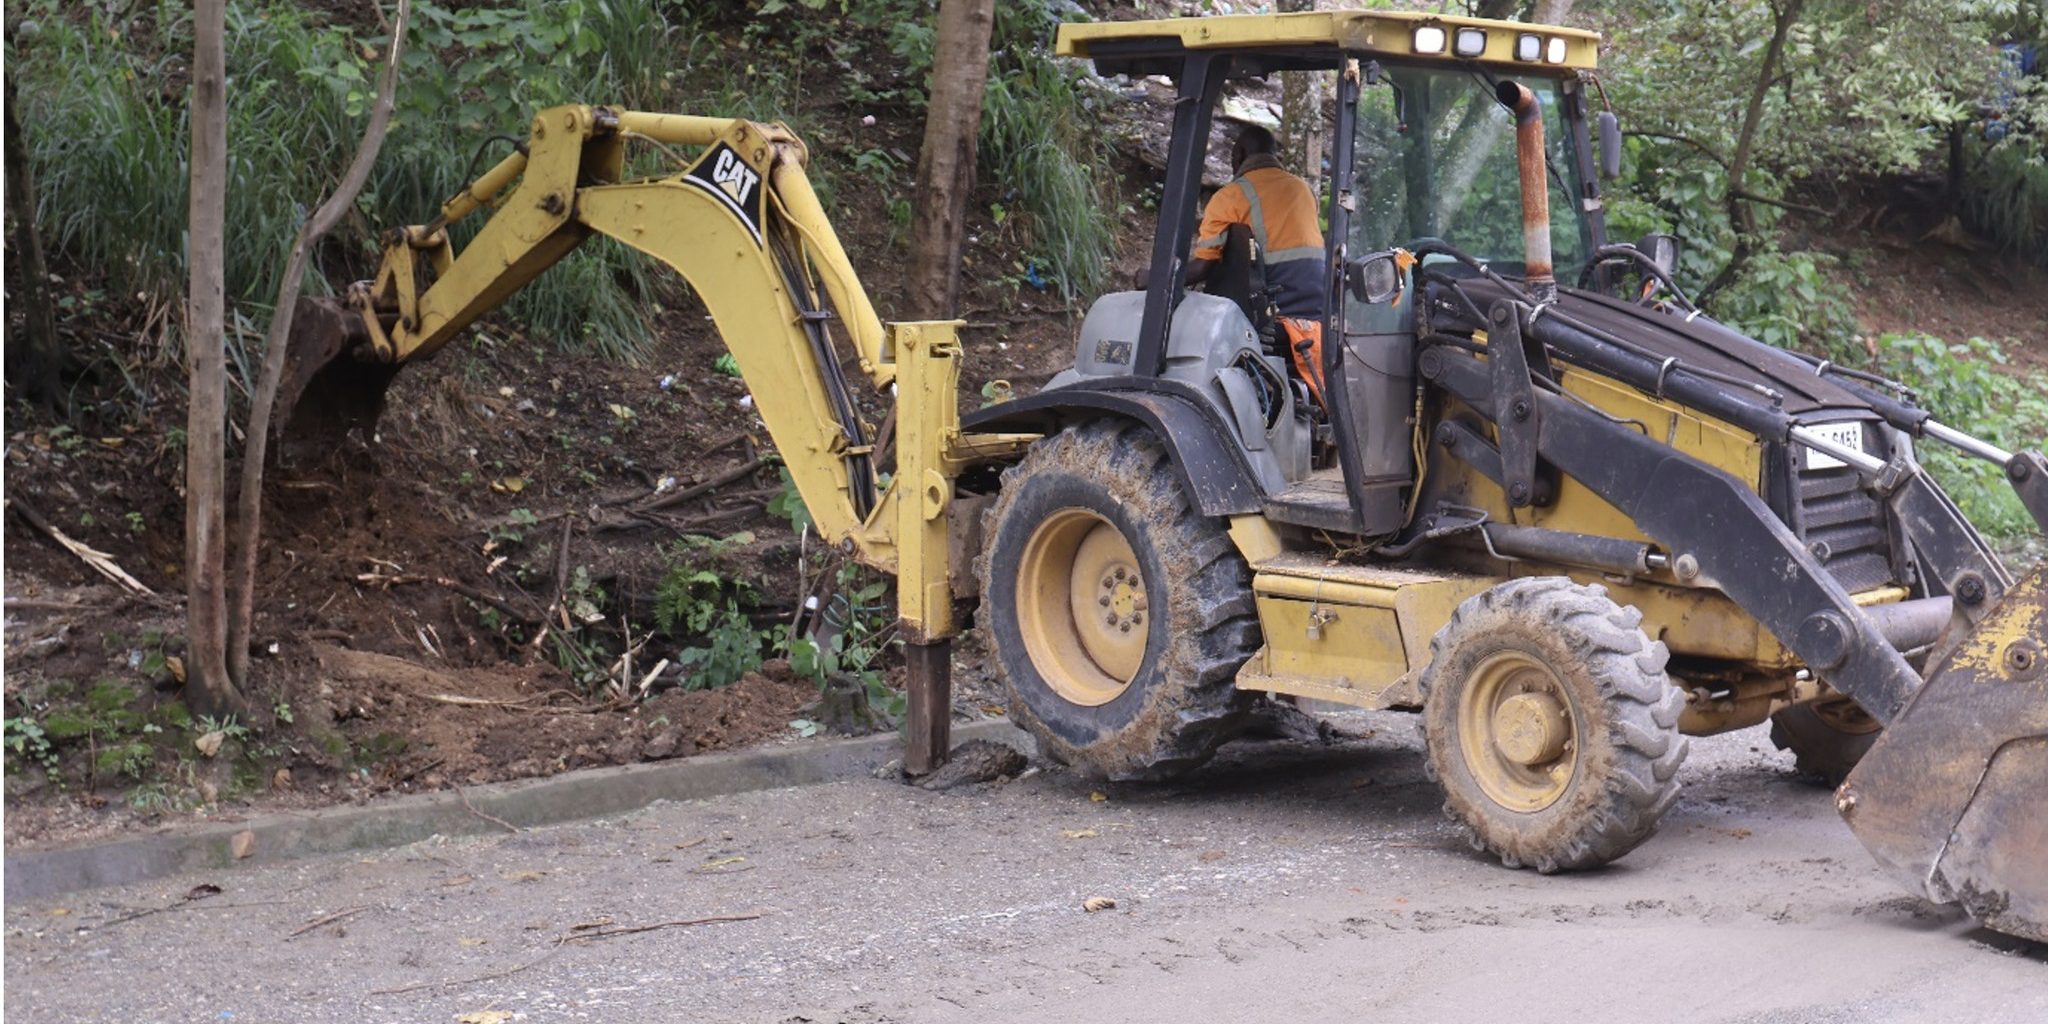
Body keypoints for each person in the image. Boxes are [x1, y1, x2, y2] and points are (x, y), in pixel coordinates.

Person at [1185, 124, 1329, 408]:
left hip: (1274, 322)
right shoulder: (1303, 190)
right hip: (1319, 318)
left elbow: (1202, 269)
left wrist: (1154, 278)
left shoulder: (1229, 197)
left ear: (1239, 154)